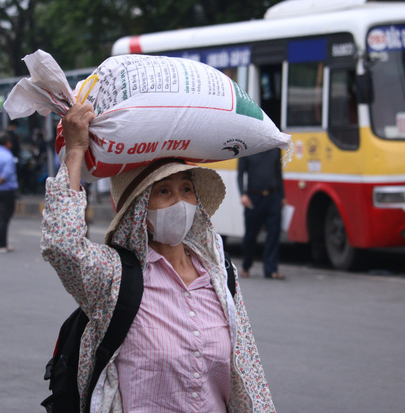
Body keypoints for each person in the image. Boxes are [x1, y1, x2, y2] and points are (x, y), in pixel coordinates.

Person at [41, 103, 275, 412]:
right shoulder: (114, 278)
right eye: (164, 191)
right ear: (140, 212)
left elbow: (247, 376)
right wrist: (74, 152)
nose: (180, 201)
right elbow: (62, 245)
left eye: (187, 189)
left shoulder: (219, 274)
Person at [237, 148, 286, 280]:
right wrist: (242, 194)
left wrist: (282, 196)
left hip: (273, 196)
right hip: (254, 197)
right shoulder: (247, 150)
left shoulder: (275, 150)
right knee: (251, 235)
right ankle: (246, 265)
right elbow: (240, 175)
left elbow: (279, 173)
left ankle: (271, 269)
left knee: (274, 233)